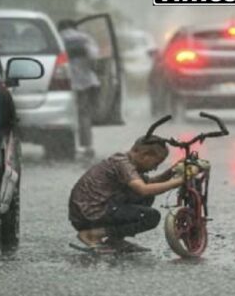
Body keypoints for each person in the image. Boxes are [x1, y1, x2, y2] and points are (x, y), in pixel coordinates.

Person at [68, 135, 197, 253]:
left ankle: (114, 240)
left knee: (146, 197)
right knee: (151, 217)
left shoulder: (124, 161)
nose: (155, 168)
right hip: (90, 215)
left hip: (88, 212)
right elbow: (143, 189)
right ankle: (92, 235)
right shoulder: (123, 164)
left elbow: (150, 182)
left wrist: (172, 171)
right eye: (156, 163)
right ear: (144, 155)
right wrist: (179, 181)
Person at [58, 19, 100, 159]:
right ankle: (86, 146)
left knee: (64, 116)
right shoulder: (84, 38)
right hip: (86, 82)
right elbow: (94, 56)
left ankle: (64, 147)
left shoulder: (57, 37)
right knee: (84, 115)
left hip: (63, 84)